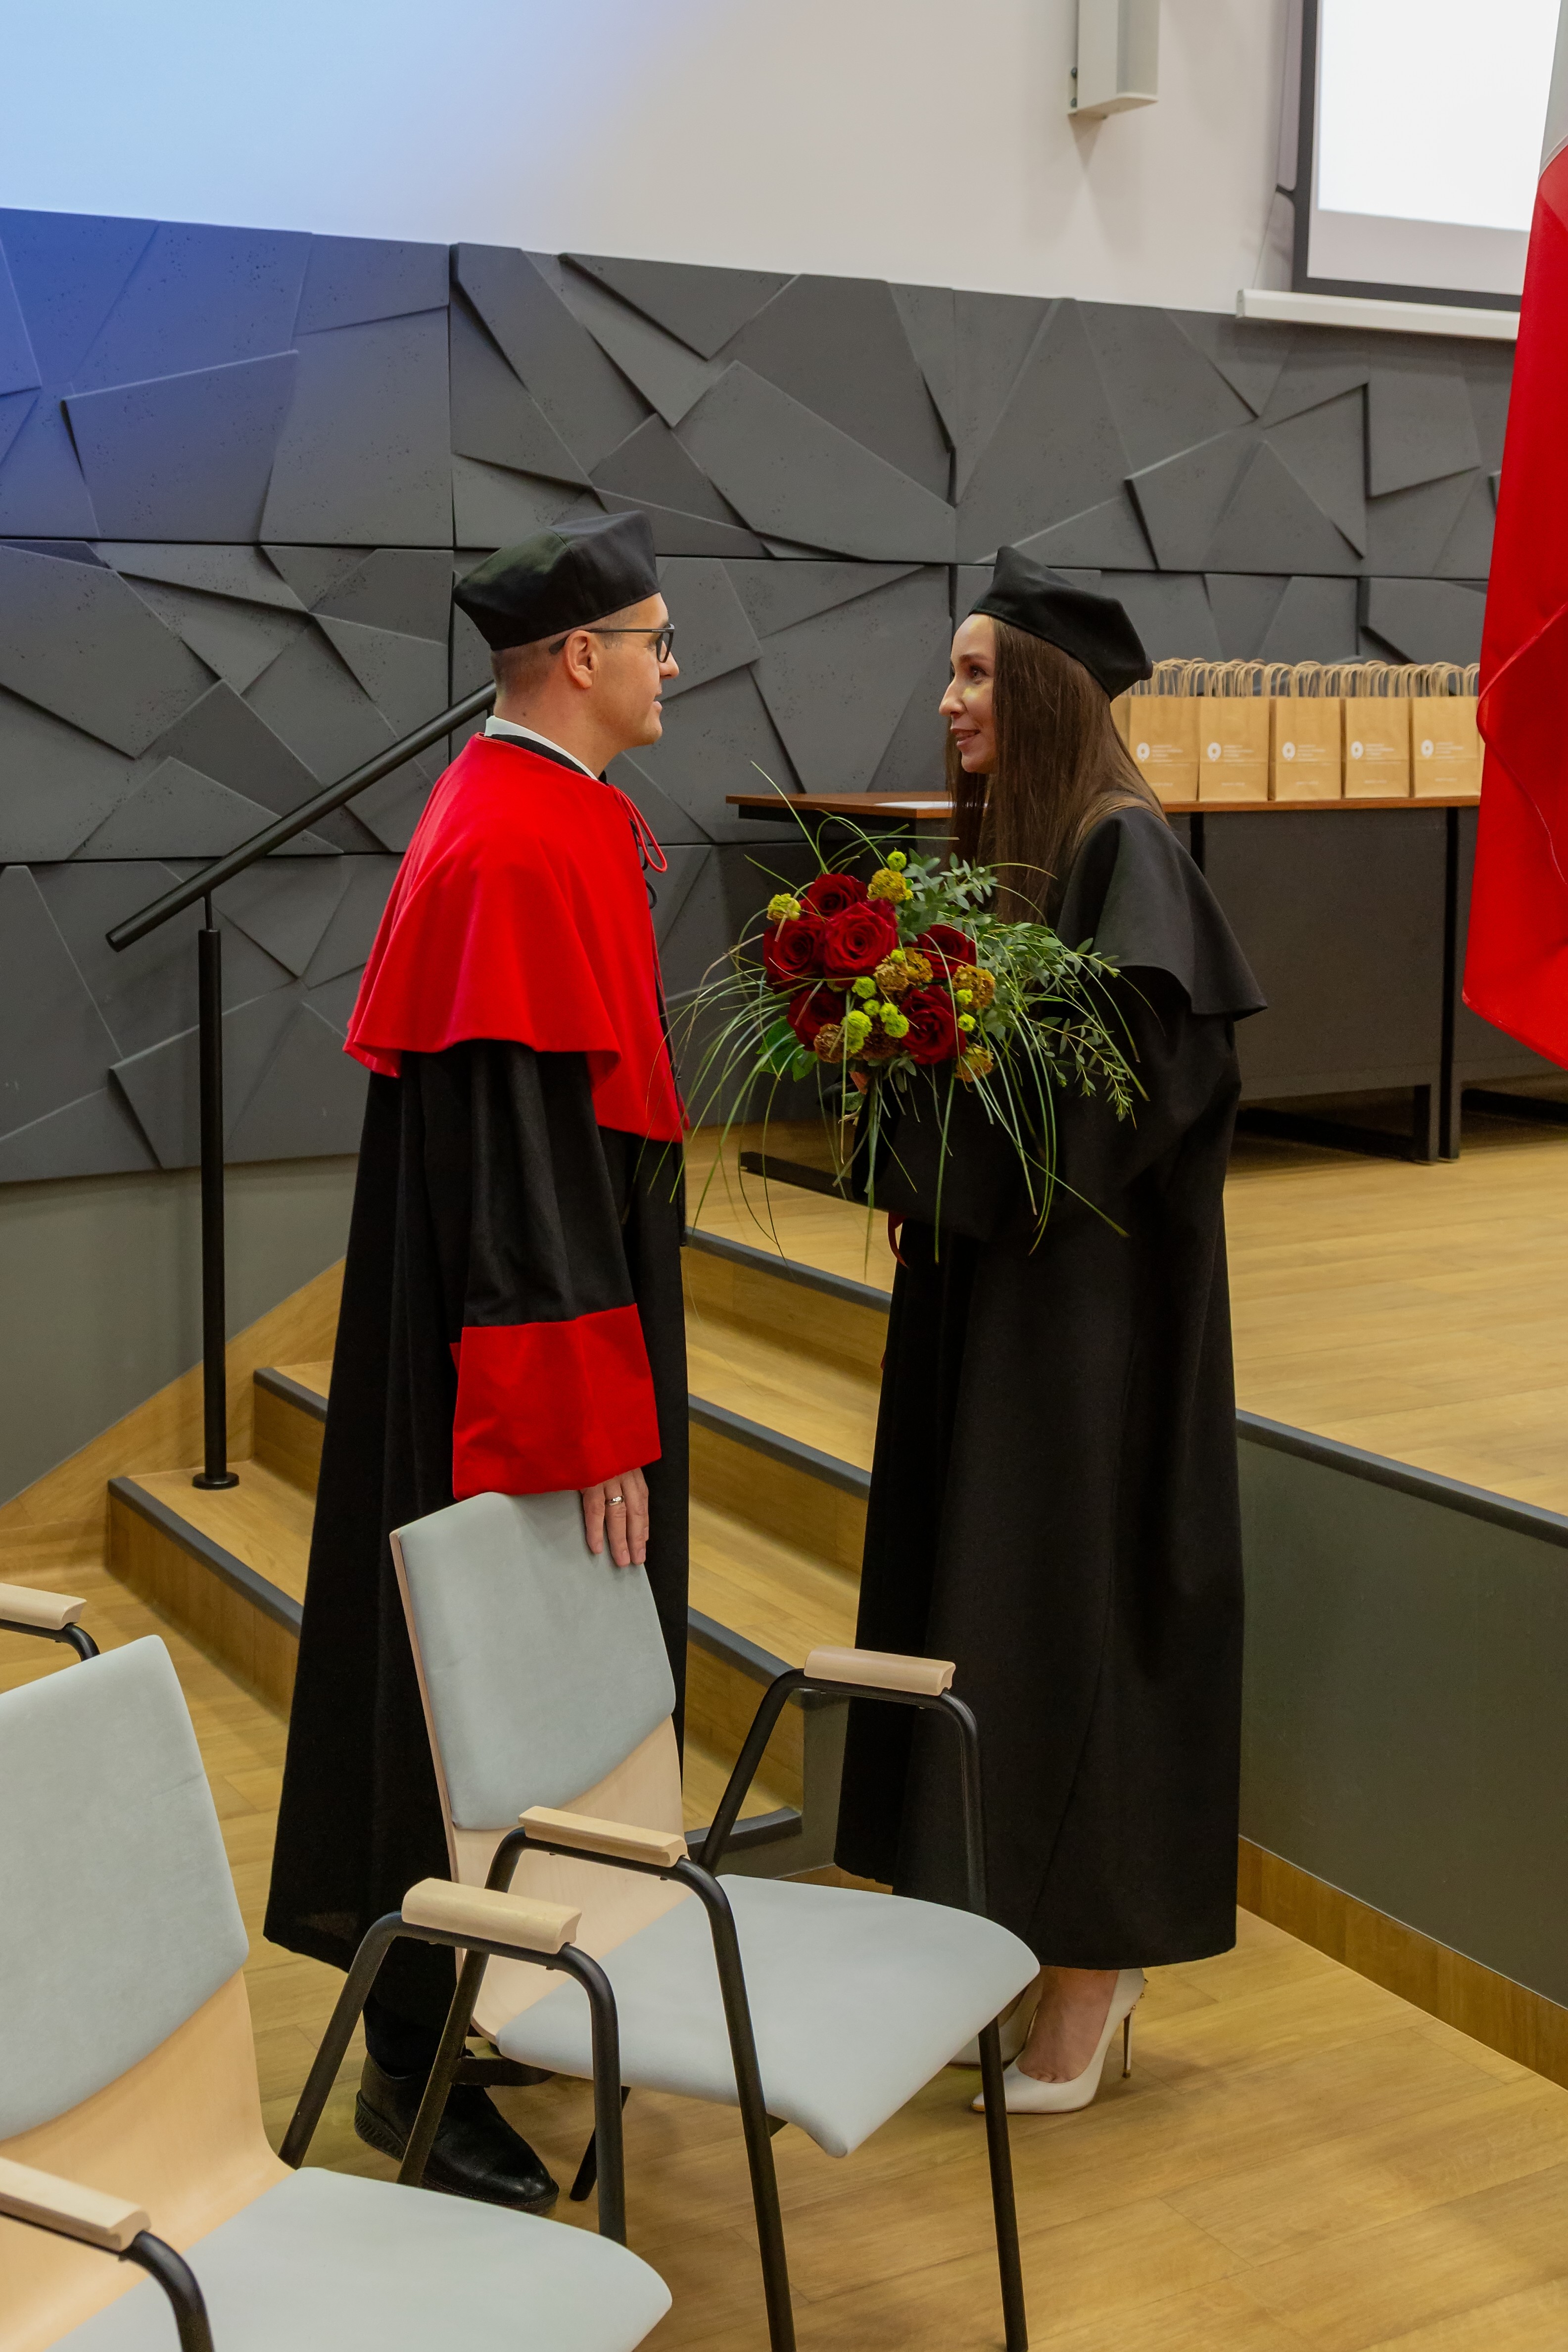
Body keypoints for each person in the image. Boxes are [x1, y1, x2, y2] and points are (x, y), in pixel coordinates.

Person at [266, 513, 689, 2208]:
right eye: (654, 638)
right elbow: (521, 1169)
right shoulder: (509, 843)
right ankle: (411, 2064)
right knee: (465, 1682)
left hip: (550, 1304)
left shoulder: (550, 806)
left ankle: (496, 1985)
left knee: (518, 1685)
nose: (672, 666)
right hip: (515, 1349)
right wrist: (584, 1419)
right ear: (579, 657)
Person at [833, 547, 1265, 2114]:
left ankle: (1091, 1973)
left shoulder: (1121, 849)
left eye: (974, 674)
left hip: (1094, 1346)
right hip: (1016, 1316)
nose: (949, 702)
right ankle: (1018, 1941)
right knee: (995, 1616)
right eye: (951, 674)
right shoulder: (1035, 850)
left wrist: (931, 1160)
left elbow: (1092, 1125)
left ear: (1041, 690)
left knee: (1073, 1619)